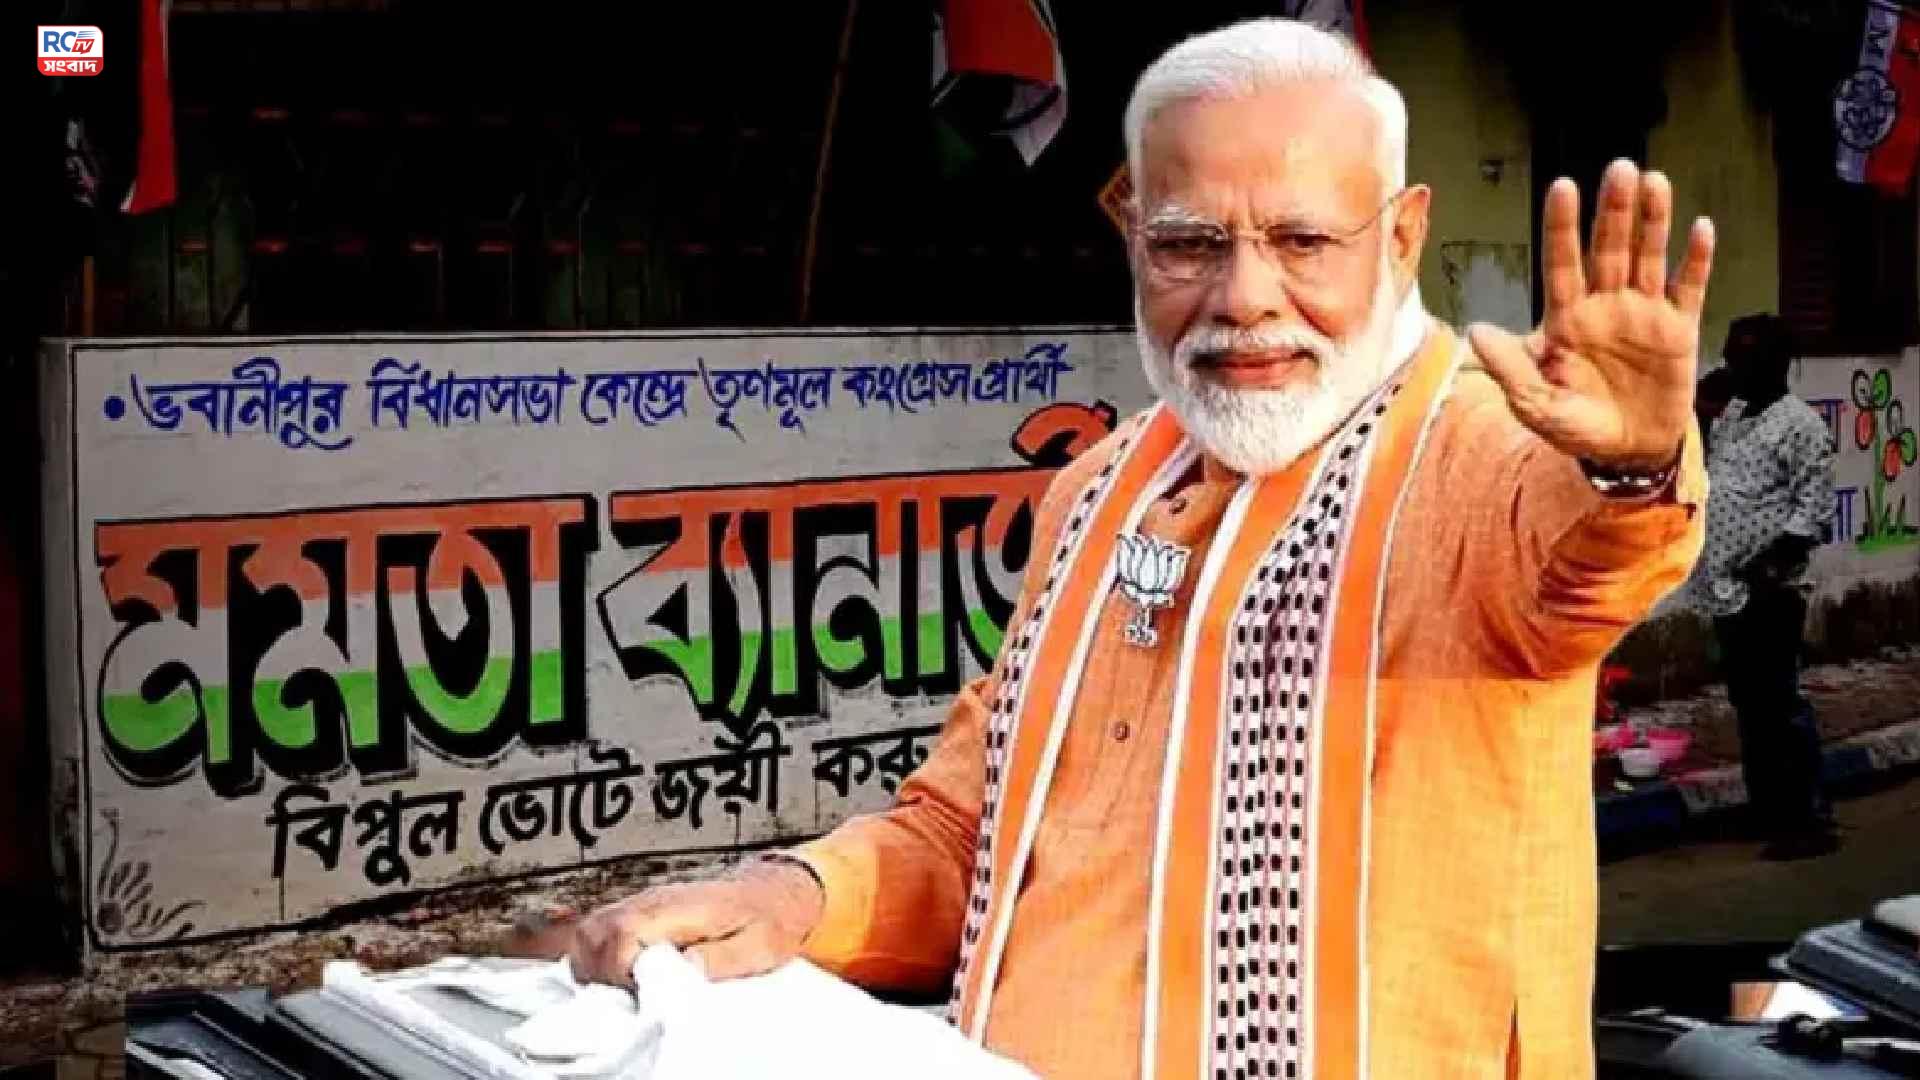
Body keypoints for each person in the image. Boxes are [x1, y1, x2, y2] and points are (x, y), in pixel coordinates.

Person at [536, 20, 1715, 1079]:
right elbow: (974, 826)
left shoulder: (1477, 456)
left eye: (1303, 239)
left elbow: (1593, 559)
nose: (1244, 296)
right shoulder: (1097, 489)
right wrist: (795, 893)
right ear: (1133, 235)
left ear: (1401, 237)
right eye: (1189, 244)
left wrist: (1631, 464)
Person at [1681, 313, 1838, 861]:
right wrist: (1701, 408)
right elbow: (1702, 465)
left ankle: (1809, 821)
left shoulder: (1801, 425)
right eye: (1730, 355)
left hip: (1768, 591)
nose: (1732, 366)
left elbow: (1813, 510)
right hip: (1726, 589)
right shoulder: (1733, 415)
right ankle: (1768, 809)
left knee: (1779, 706)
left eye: (1744, 357)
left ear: (1776, 363)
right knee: (1751, 706)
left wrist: (1768, 572)